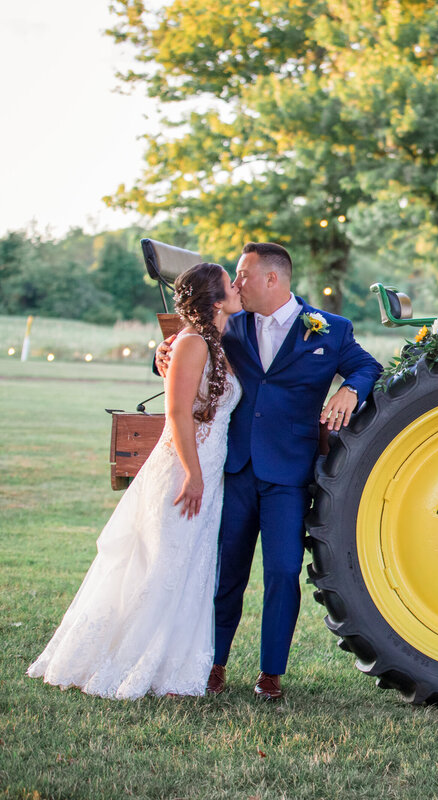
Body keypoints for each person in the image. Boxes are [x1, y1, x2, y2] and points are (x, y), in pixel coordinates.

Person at [159, 242, 380, 701]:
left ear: (272, 280)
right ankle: (213, 665)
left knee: (282, 573)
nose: (236, 284)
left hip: (289, 474)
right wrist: (159, 357)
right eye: (235, 277)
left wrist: (350, 392)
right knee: (227, 574)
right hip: (235, 468)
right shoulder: (228, 324)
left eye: (244, 275)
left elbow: (367, 367)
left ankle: (271, 674)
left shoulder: (330, 329)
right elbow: (184, 355)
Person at [28, 263, 243, 698]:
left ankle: (174, 670)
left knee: (189, 569)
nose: (238, 286)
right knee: (162, 564)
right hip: (183, 473)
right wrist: (193, 474)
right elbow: (177, 413)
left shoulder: (219, 342)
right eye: (230, 282)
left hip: (209, 470)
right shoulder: (192, 343)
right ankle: (126, 662)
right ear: (217, 300)